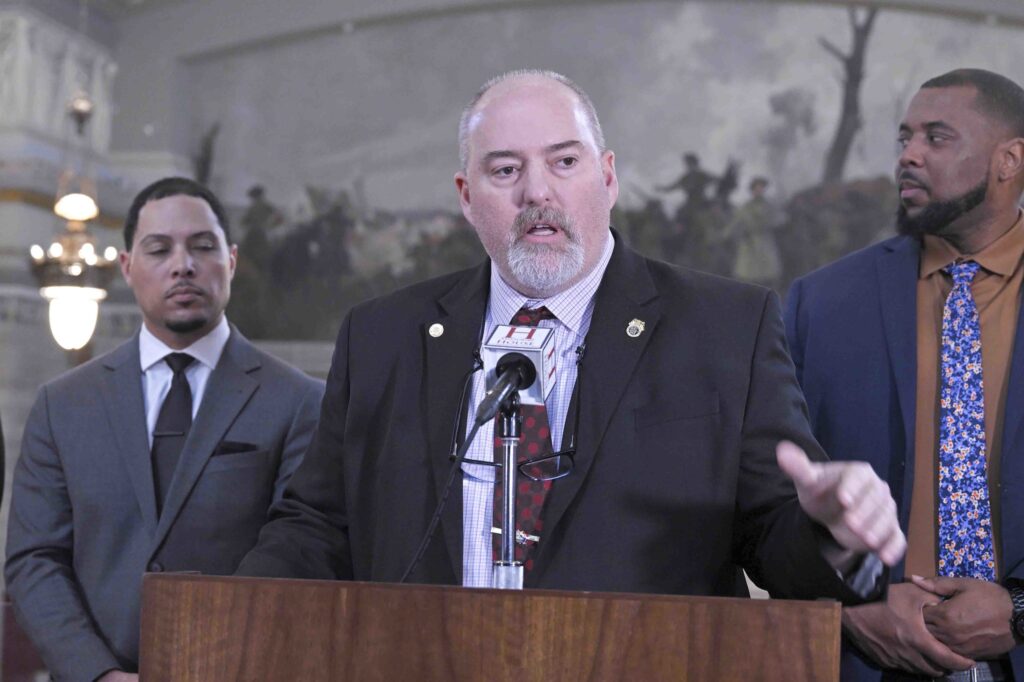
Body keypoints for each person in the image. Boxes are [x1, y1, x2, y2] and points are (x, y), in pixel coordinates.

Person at [237, 69, 903, 604]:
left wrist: (832, 532)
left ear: (607, 177)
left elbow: (777, 542)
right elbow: (316, 528)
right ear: (467, 196)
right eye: (505, 170)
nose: (537, 192)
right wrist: (221, 623)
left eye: (563, 162)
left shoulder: (726, 328)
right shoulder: (383, 335)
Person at [5, 177, 325, 681]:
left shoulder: (299, 402)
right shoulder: (62, 405)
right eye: (159, 249)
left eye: (203, 246)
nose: (183, 265)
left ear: (231, 261)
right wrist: (98, 674)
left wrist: (209, 667)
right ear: (127, 267)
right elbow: (34, 560)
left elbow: (299, 554)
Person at [785, 69, 1024, 681]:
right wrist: (846, 607)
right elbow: (768, 492)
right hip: (868, 662)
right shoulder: (821, 304)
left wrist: (1021, 610)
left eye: (937, 138)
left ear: (1009, 160)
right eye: (905, 138)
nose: (909, 156)